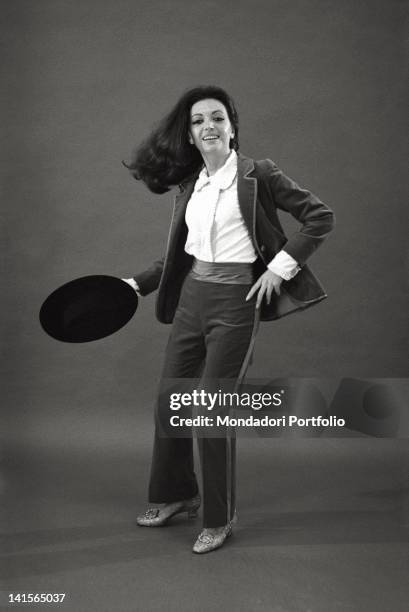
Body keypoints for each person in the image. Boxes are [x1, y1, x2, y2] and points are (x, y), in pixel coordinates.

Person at [122, 85, 335, 554]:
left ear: (232, 126)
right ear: (191, 136)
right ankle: (177, 494)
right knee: (170, 401)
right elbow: (178, 256)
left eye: (217, 117)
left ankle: (220, 516)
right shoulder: (190, 184)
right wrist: (135, 284)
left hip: (236, 301)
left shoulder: (258, 174)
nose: (208, 127)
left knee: (210, 408)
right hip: (191, 298)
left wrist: (280, 270)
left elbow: (319, 217)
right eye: (199, 121)